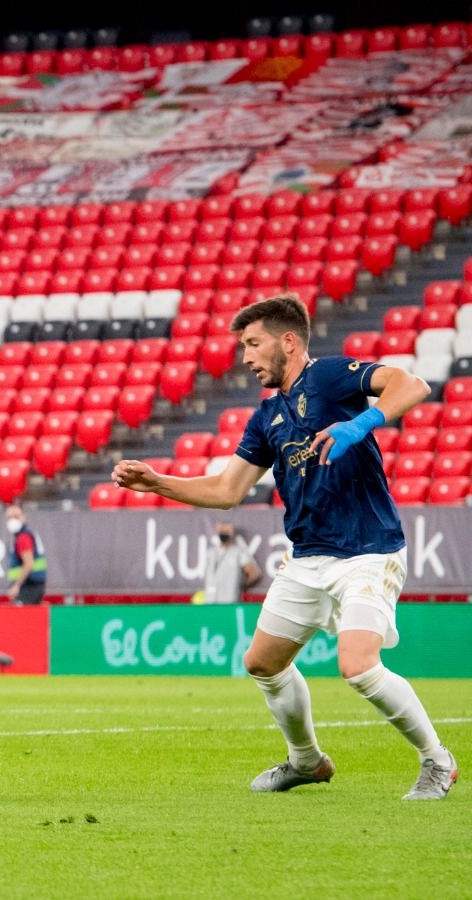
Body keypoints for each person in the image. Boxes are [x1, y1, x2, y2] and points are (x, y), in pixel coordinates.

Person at [112, 293, 456, 800]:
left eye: (253, 344)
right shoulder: (266, 417)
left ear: (288, 341)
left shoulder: (332, 377)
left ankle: (437, 761)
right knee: (262, 663)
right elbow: (227, 491)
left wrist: (360, 424)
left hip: (367, 549)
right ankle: (306, 762)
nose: (246, 357)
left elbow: (412, 384)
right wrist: (158, 481)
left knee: (358, 666)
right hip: (306, 559)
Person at [199, 522, 262, 605]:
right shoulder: (211, 552)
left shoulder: (238, 552)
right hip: (210, 600)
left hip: (229, 601)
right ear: (217, 532)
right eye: (222, 530)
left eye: (226, 531)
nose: (224, 533)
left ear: (231, 533)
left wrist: (241, 587)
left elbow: (254, 574)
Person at [3, 505, 47, 605]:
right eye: (9, 518)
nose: (12, 520)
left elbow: (29, 563)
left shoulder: (23, 537)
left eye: (16, 516)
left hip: (28, 586)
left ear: (23, 517)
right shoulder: (24, 534)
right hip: (33, 585)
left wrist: (16, 585)